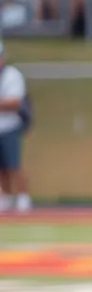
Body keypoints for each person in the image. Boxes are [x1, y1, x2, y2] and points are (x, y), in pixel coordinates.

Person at [0, 41, 31, 213]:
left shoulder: (12, 75)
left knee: (14, 165)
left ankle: (23, 197)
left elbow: (15, 102)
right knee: (1, 168)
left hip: (10, 126)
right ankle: (4, 196)